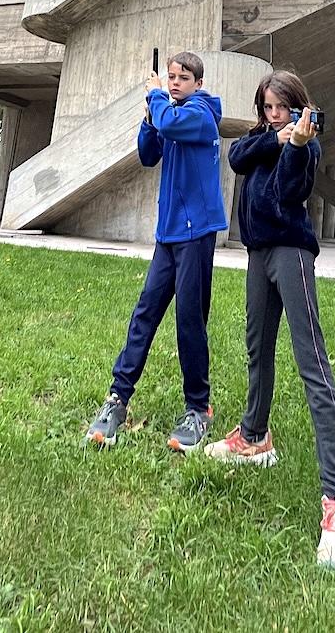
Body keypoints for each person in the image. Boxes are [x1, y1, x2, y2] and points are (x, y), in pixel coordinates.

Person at [204, 70, 335, 575]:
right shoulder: (257, 137)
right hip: (257, 254)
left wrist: (295, 144)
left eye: (282, 107)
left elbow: (292, 194)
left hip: (291, 253)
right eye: (267, 106)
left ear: (298, 106)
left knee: (311, 362)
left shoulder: (306, 145)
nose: (274, 113)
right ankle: (254, 437)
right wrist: (276, 137)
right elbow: (237, 158)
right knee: (257, 348)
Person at [86, 51, 226, 453]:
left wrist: (156, 100)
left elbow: (171, 121)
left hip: (196, 233)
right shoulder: (170, 113)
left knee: (189, 319)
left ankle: (198, 410)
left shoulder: (199, 114)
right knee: (145, 313)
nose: (175, 82)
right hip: (168, 236)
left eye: (183, 77)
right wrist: (150, 115)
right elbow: (149, 154)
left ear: (198, 83)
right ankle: (117, 399)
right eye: (170, 77)